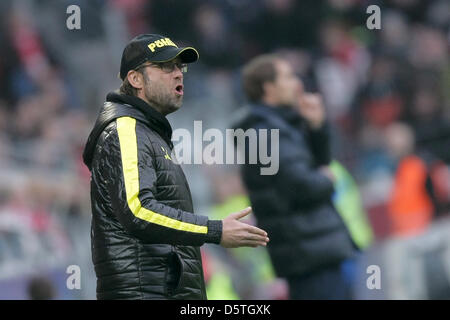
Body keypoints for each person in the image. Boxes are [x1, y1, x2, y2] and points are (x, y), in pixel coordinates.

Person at [82, 34, 269, 300]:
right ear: (135, 79)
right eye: (165, 66)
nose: (178, 74)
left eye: (180, 67)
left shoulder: (147, 133)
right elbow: (137, 209)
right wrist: (214, 230)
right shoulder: (125, 130)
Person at [233, 54, 356, 299]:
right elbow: (302, 186)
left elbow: (319, 163)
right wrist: (329, 179)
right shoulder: (265, 133)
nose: (296, 83)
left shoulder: (280, 125)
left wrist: (316, 126)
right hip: (308, 257)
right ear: (269, 88)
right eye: (288, 77)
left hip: (317, 250)